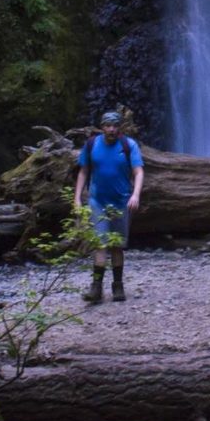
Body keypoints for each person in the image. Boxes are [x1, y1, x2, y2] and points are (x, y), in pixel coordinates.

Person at [71, 111, 145, 303]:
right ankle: (96, 288)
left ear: (120, 127)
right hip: (98, 202)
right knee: (100, 245)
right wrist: (77, 198)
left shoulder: (129, 146)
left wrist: (135, 194)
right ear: (102, 127)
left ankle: (118, 286)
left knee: (117, 246)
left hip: (121, 201)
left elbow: (138, 172)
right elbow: (83, 172)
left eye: (115, 126)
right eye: (108, 125)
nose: (111, 129)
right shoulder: (92, 145)